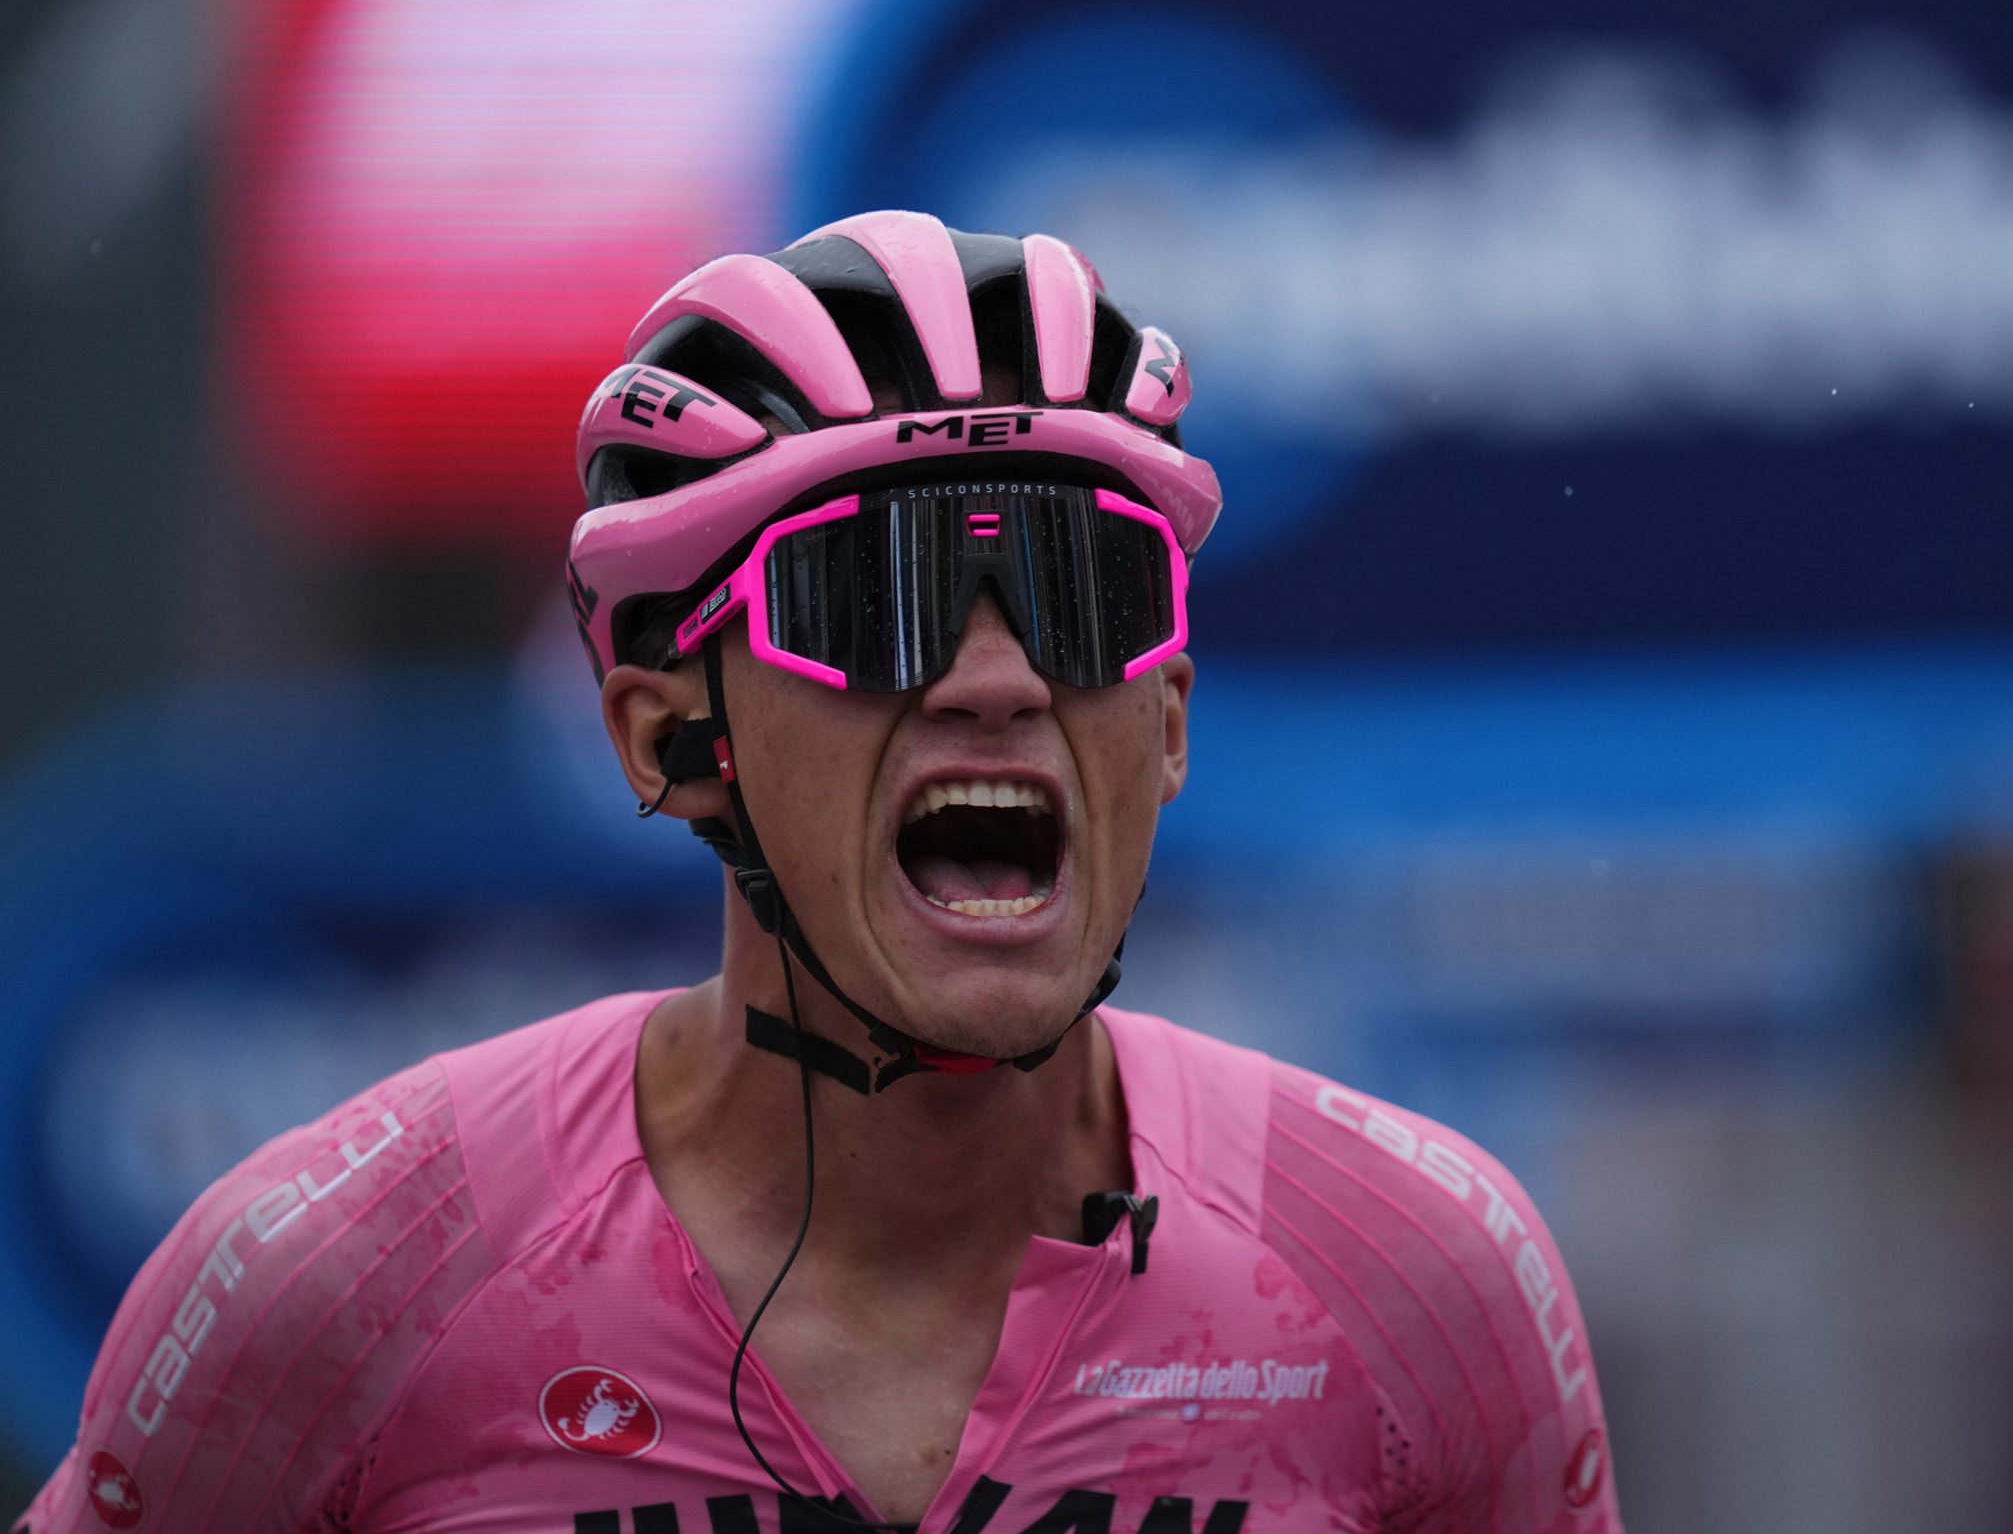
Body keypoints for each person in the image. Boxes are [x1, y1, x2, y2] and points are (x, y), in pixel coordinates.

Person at [15, 212, 1621, 1534]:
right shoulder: (333, 1287)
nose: (998, 679)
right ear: (668, 737)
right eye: (874, 596)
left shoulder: (1421, 1282)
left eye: (1085, 589)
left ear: (1173, 720)